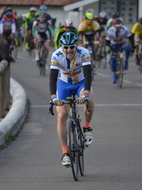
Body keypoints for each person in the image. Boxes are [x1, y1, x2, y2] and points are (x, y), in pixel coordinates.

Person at [49, 32, 94, 167]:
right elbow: (52, 77)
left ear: (76, 46)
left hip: (81, 82)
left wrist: (85, 93)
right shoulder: (56, 55)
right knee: (62, 115)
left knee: (89, 100)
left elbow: (88, 73)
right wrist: (53, 97)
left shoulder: (84, 52)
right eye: (66, 47)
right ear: (62, 46)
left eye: (72, 47)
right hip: (64, 84)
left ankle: (87, 127)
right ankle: (65, 153)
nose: (69, 50)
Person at [106, 18, 134, 84]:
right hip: (114, 44)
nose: (118, 27)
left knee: (128, 48)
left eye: (119, 26)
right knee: (113, 59)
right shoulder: (110, 31)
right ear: (114, 25)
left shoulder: (125, 29)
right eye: (117, 26)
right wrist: (110, 48)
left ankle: (126, 60)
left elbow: (131, 38)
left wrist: (132, 47)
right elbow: (107, 42)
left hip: (123, 43)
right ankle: (114, 74)